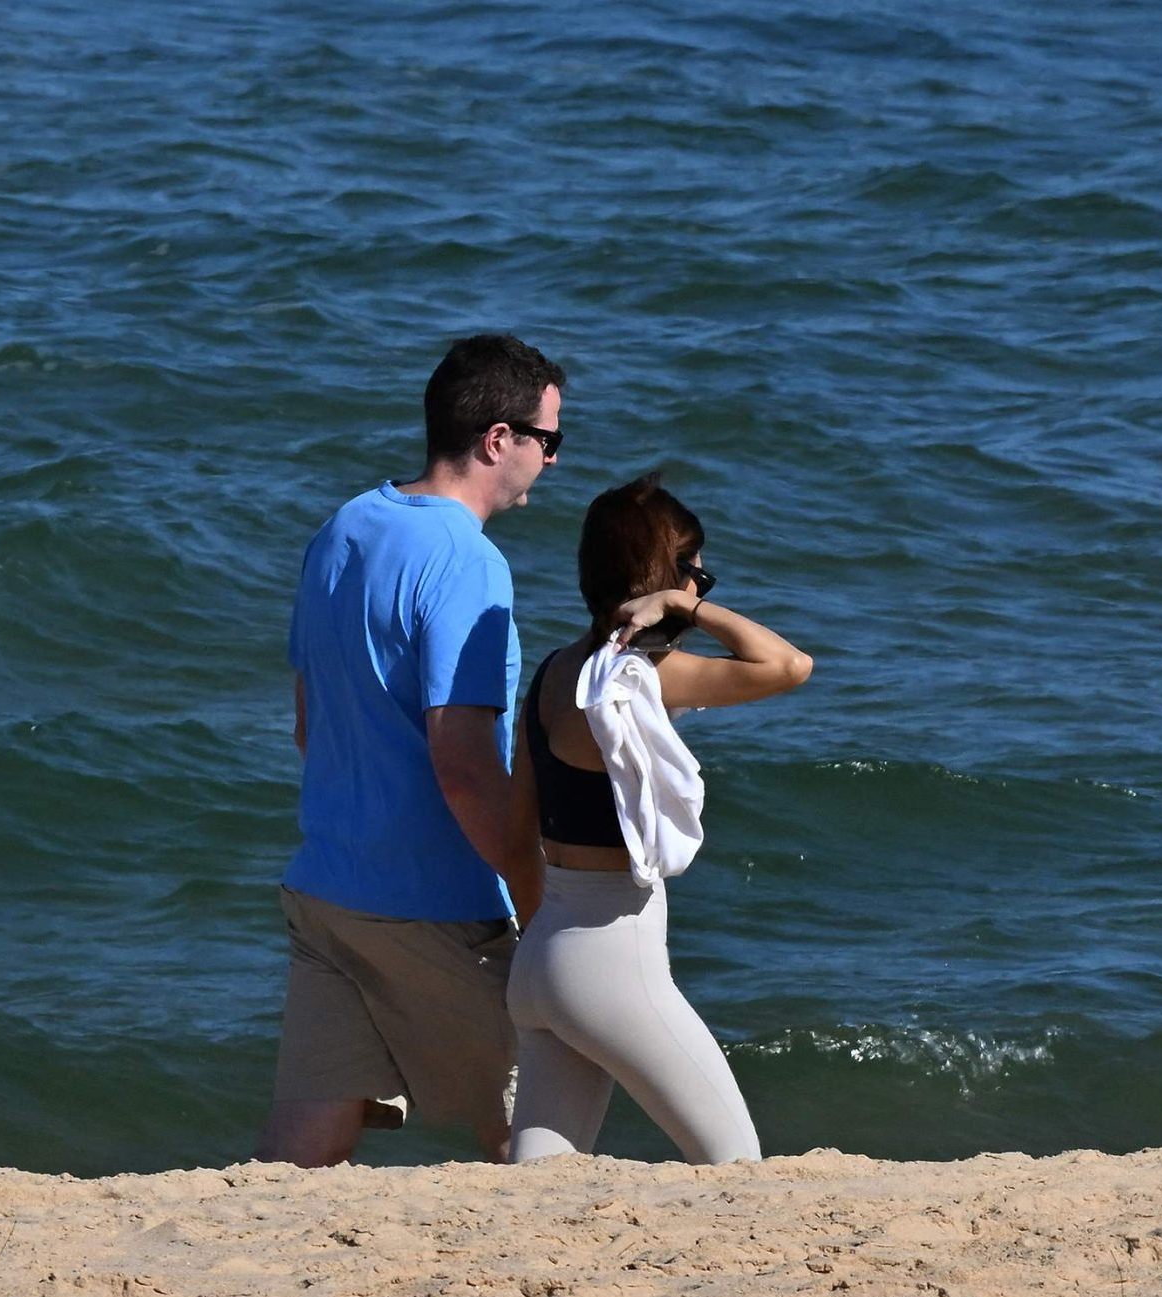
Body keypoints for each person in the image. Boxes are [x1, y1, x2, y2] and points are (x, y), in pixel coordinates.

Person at [256, 333, 564, 1168]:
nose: (552, 463)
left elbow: (307, 725)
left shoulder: (344, 528)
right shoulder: (469, 563)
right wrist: (537, 899)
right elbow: (462, 763)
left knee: (303, 1146)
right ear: (499, 440)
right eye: (549, 442)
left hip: (327, 885)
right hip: (434, 905)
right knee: (538, 1106)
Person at [505, 472, 811, 1165]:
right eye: (694, 569)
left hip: (543, 954)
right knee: (737, 1165)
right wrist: (683, 606)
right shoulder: (647, 676)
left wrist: (539, 938)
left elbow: (516, 823)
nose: (703, 583)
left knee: (535, 1195)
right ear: (658, 577)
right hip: (612, 958)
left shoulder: (555, 673)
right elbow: (790, 666)